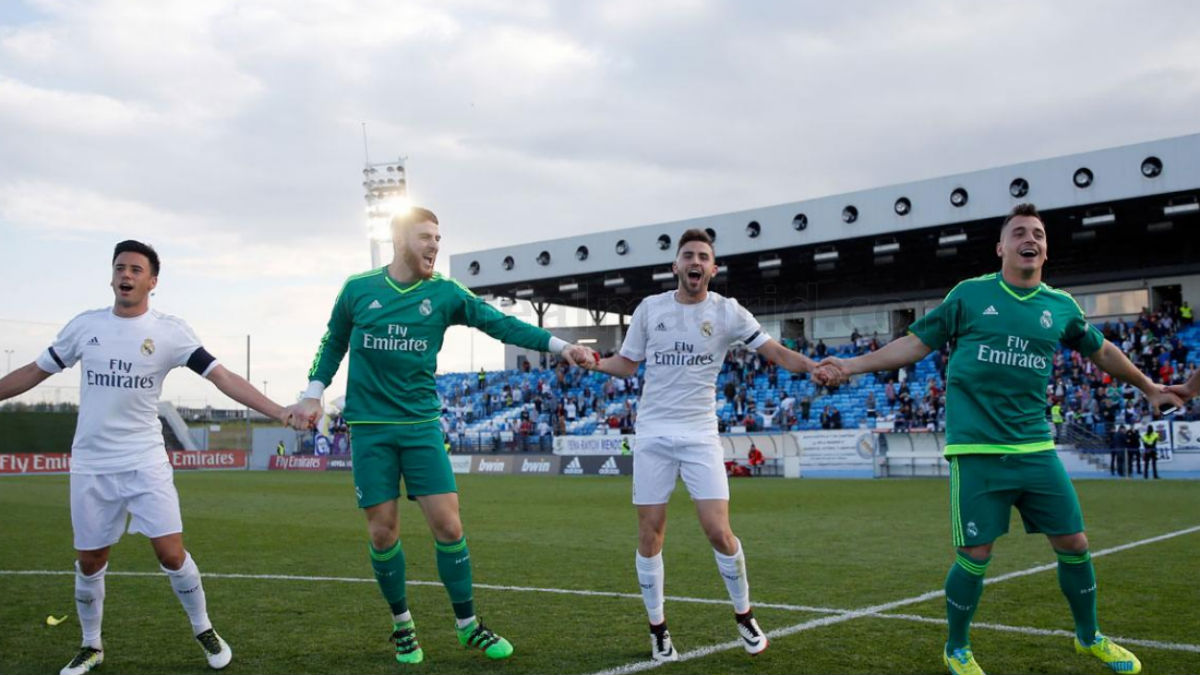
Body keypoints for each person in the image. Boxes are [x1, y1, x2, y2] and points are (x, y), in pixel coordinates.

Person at [816, 204, 1180, 675]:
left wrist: (1149, 387)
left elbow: (1103, 351)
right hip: (978, 451)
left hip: (1035, 448)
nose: (1031, 239)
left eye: (1039, 234)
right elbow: (915, 343)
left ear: (1045, 250)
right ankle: (958, 648)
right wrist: (849, 365)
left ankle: (1089, 638)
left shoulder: (1061, 307)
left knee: (1075, 542)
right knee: (975, 554)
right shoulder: (970, 295)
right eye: (1020, 233)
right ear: (1001, 247)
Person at [289, 207, 594, 665]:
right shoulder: (358, 289)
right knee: (382, 533)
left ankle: (468, 626)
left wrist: (559, 346)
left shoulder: (445, 294)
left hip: (421, 425)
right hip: (371, 429)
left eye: (438, 237)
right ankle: (402, 625)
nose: (434, 245)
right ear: (398, 240)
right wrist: (313, 394)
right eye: (425, 237)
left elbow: (500, 324)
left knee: (449, 526)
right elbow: (333, 341)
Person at [0, 240, 292, 675]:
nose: (127, 275)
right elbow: (34, 370)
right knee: (90, 560)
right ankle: (90, 645)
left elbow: (223, 377)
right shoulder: (85, 327)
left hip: (145, 461)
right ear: (112, 276)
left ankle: (204, 629)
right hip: (92, 465)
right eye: (121, 268)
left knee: (171, 554)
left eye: (137, 269)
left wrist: (279, 411)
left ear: (152, 281)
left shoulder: (170, 332)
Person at [589, 228, 821, 662]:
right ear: (676, 265)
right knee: (649, 534)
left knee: (719, 531)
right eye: (688, 255)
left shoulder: (729, 312)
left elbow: (774, 351)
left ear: (713, 269)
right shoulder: (650, 309)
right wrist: (595, 362)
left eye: (703, 257)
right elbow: (626, 365)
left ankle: (745, 614)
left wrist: (813, 367)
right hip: (654, 434)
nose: (695, 262)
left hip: (700, 435)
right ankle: (658, 629)